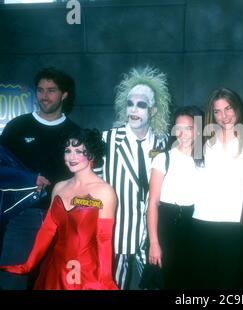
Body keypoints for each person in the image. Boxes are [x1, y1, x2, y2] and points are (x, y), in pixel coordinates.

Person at [0, 129, 118, 290]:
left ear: (91, 155)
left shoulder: (104, 192)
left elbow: (104, 238)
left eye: (79, 151)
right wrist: (29, 264)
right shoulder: (59, 187)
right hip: (55, 267)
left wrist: (106, 279)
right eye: (68, 151)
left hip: (87, 272)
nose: (71, 157)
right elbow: (47, 230)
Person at [0, 67, 80, 290]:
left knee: (54, 284)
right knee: (11, 281)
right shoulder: (18, 127)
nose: (44, 96)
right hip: (23, 218)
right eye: (40, 90)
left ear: (64, 94)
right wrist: (27, 179)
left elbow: (84, 182)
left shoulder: (74, 133)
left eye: (51, 90)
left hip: (61, 220)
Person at [101, 66, 171, 290]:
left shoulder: (164, 144)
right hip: (116, 235)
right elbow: (87, 191)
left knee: (156, 287)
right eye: (130, 103)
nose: (134, 109)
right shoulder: (107, 140)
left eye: (141, 105)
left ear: (153, 110)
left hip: (152, 236)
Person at [192, 87, 243, 289]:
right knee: (205, 283)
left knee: (232, 283)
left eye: (228, 109)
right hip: (203, 220)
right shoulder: (202, 141)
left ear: (237, 108)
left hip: (236, 222)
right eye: (217, 111)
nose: (223, 116)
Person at [147, 105, 204, 289]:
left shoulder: (207, 160)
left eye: (188, 128)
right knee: (168, 282)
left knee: (193, 282)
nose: (183, 133)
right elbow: (153, 203)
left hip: (195, 226)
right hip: (166, 226)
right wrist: (154, 242)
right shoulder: (163, 158)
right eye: (178, 128)